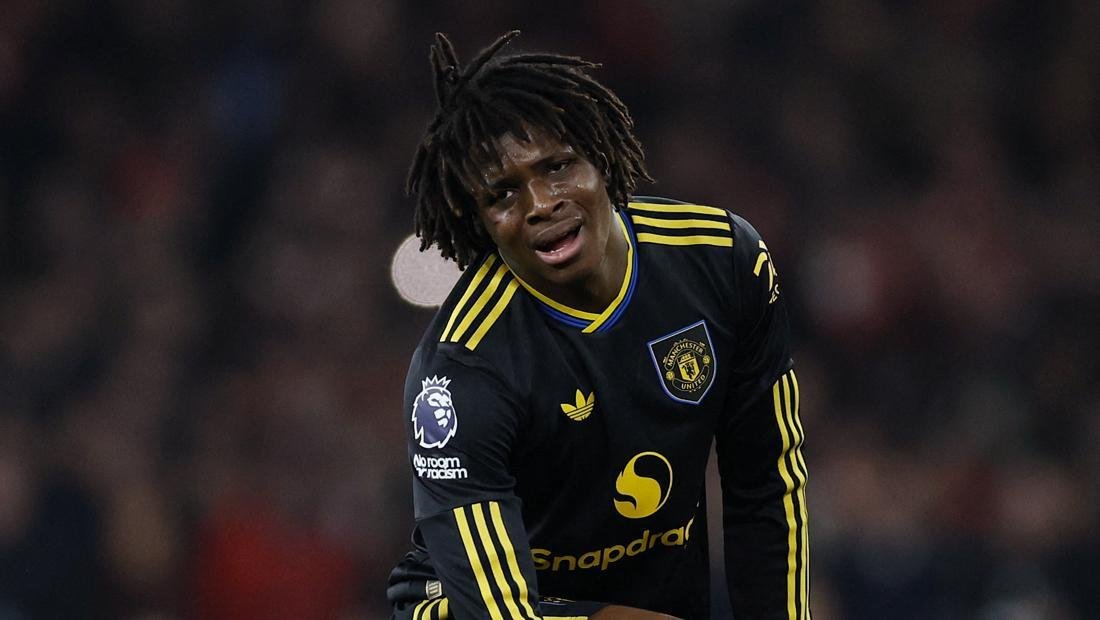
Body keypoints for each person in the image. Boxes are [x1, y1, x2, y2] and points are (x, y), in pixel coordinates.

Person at [387, 30, 809, 620]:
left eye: (557, 167)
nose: (540, 204)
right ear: (479, 222)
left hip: (656, 597)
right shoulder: (463, 371)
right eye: (503, 195)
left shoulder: (722, 262)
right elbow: (496, 613)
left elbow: (767, 486)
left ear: (602, 159)